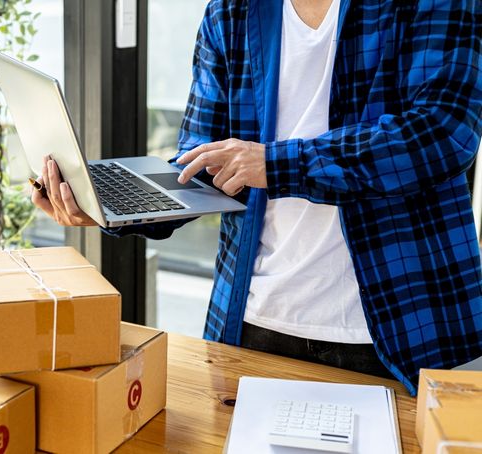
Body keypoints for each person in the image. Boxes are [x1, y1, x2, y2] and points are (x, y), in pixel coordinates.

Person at [32, 0, 482, 395]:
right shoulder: (229, 12)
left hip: (400, 326)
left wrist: (275, 164)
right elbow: (203, 166)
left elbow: (444, 133)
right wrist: (109, 205)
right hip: (254, 321)